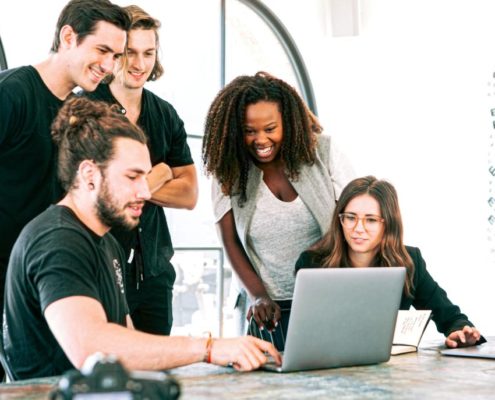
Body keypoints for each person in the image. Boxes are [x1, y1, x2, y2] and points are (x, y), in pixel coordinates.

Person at [2, 97, 280, 381]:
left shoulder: (108, 243)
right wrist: (208, 348)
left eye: (145, 177)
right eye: (132, 177)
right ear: (89, 174)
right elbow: (92, 349)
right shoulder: (57, 240)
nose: (146, 192)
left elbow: (130, 343)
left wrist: (221, 358)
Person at [0, 0, 130, 330]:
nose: (109, 66)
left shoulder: (78, 110)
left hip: (46, 277)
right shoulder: (11, 94)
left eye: (115, 56)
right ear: (68, 36)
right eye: (102, 50)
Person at [202, 71, 355, 348]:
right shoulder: (228, 169)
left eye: (270, 128)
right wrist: (258, 295)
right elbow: (230, 241)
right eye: (250, 131)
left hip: (330, 296)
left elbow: (353, 220)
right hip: (269, 310)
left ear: (288, 122)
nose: (260, 140)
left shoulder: (323, 151)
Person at [82, 5, 198, 335]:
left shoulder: (165, 114)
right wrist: (160, 173)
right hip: (100, 268)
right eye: (129, 52)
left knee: (155, 374)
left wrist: (132, 183)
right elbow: (93, 193)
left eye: (148, 53)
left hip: (155, 274)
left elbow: (189, 194)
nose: (139, 64)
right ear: (114, 54)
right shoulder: (86, 110)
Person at [296, 176, 484, 348]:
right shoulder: (312, 263)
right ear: (340, 221)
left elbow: (450, 317)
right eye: (350, 218)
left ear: (388, 224)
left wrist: (459, 331)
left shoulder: (409, 262)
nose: (358, 228)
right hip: (325, 367)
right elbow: (304, 332)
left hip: (386, 370)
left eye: (370, 220)